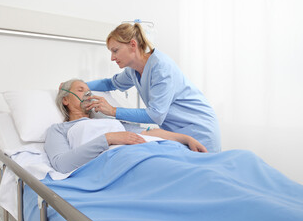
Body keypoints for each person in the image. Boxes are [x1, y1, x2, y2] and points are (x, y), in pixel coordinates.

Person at [85, 23, 221, 153]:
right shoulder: (133, 71)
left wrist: (113, 111)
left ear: (133, 45)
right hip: (177, 134)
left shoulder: (160, 67)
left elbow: (155, 115)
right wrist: (78, 85)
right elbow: (109, 84)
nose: (112, 58)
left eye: (115, 51)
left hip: (199, 129)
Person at [45, 79, 207, 174]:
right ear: (65, 100)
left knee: (203, 169)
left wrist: (186, 138)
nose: (88, 94)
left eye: (89, 91)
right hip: (121, 163)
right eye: (80, 90)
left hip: (150, 152)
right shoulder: (59, 130)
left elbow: (148, 132)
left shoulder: (107, 121)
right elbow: (62, 164)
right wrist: (109, 138)